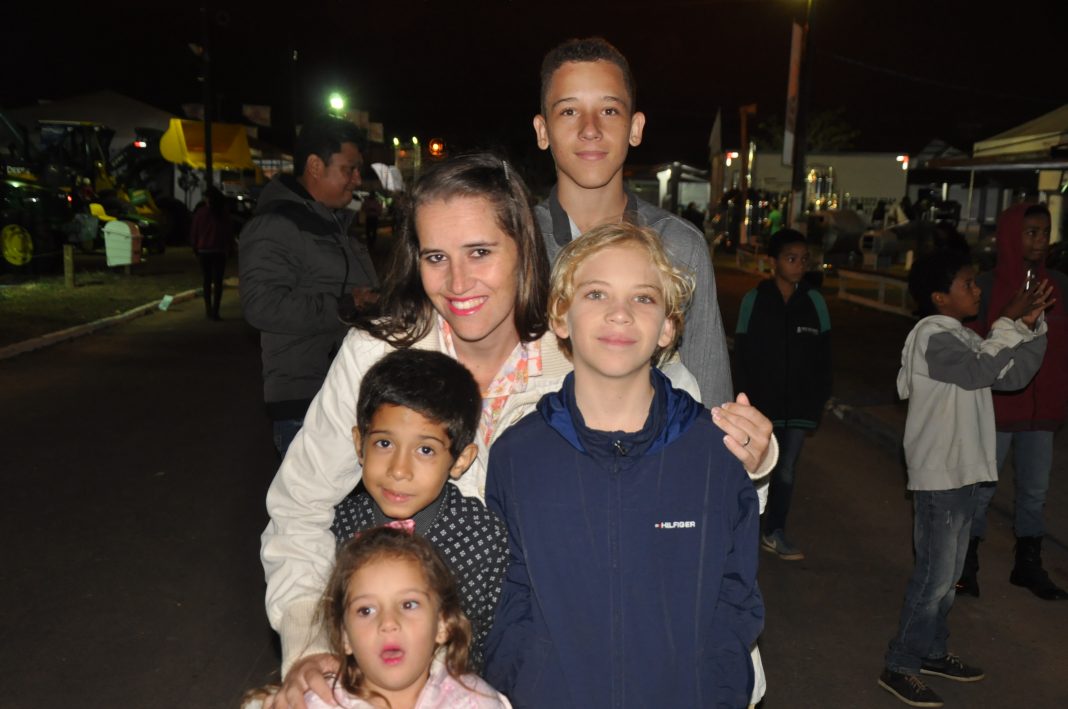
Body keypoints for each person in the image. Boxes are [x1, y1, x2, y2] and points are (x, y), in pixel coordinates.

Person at [260, 154, 774, 709]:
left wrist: (757, 462)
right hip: (410, 672)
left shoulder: (589, 345)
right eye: (436, 257)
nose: (458, 282)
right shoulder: (378, 356)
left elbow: (702, 483)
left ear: (524, 250)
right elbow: (298, 509)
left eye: (480, 252)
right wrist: (310, 646)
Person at [483, 222, 764, 708]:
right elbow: (506, 595)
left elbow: (735, 595)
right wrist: (526, 684)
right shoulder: (518, 454)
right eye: (596, 294)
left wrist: (715, 692)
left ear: (668, 327)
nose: (620, 313)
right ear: (561, 316)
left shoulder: (713, 453)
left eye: (644, 298)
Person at [879, 249, 1049, 708]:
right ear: (939, 297)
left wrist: (1029, 327)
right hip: (941, 476)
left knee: (949, 577)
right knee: (934, 577)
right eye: (968, 284)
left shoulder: (965, 337)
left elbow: (1011, 375)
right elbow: (979, 371)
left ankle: (932, 651)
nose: (977, 290)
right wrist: (1006, 323)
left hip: (965, 472)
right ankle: (901, 663)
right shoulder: (931, 335)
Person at [532, 36, 734, 408]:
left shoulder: (678, 245)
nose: (590, 128)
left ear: (635, 127)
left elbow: (712, 402)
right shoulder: (517, 243)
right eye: (569, 111)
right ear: (543, 131)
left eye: (609, 110)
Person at [330, 349, 507, 669]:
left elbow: (491, 642)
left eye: (425, 450)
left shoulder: (483, 537)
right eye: (384, 443)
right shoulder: (338, 524)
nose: (399, 470)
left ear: (461, 460)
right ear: (359, 444)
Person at [240, 114, 380, 457]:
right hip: (307, 407)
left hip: (345, 398)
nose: (357, 179)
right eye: (349, 169)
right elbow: (262, 305)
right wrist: (345, 306)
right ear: (316, 166)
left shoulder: (328, 221)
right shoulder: (276, 225)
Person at [250, 527, 511, 709]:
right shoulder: (317, 703)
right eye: (366, 610)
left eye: (408, 604)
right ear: (344, 636)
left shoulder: (476, 702)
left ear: (442, 625)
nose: (388, 623)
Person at [957, 202, 1068, 601]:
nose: (1040, 240)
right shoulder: (985, 285)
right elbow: (973, 344)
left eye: (1045, 232)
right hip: (997, 408)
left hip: (1042, 411)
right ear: (1009, 234)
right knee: (982, 489)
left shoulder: (1059, 284)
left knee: (1035, 491)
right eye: (1031, 232)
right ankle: (965, 565)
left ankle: (1028, 565)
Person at [735, 229, 830, 561]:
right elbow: (742, 353)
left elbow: (825, 356)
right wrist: (744, 400)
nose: (799, 265)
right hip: (762, 405)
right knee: (753, 469)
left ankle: (774, 531)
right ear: (773, 262)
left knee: (786, 470)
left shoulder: (815, 302)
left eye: (804, 259)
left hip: (800, 406)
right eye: (791, 258)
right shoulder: (754, 299)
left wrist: (819, 399)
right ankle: (741, 532)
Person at [190, 186, 233, 320]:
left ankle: (208, 309)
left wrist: (195, 248)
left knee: (207, 281)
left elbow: (195, 231)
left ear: (207, 199)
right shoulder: (223, 213)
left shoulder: (200, 213)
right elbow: (228, 232)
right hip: (219, 250)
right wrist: (229, 247)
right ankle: (216, 311)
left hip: (204, 251)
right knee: (218, 282)